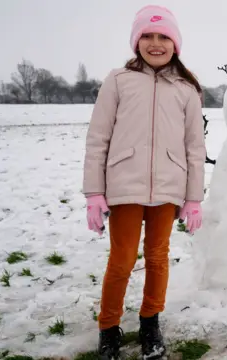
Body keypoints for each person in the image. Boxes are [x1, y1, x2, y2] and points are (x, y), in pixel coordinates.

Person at [82, 5, 206, 359]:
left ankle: (150, 321)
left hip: (168, 187)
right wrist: (94, 192)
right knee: (121, 260)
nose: (155, 43)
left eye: (163, 36)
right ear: (137, 42)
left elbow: (194, 147)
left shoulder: (186, 89)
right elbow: (98, 138)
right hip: (124, 185)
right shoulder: (118, 80)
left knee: (157, 257)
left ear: (175, 43)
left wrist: (193, 197)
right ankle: (109, 327)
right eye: (148, 36)